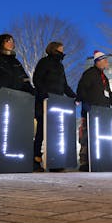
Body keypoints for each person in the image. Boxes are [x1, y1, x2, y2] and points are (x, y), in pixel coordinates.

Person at [32, 42, 77, 172]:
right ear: (55, 49)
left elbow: (64, 85)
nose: (63, 50)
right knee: (41, 132)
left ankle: (54, 162)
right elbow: (37, 79)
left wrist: (74, 96)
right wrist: (45, 95)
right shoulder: (44, 62)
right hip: (44, 102)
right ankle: (35, 160)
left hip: (57, 104)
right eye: (61, 48)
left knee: (55, 134)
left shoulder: (60, 66)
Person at [76, 51, 112, 171]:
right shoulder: (89, 74)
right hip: (91, 111)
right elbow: (81, 89)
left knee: (100, 136)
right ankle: (85, 162)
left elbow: (109, 94)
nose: (107, 63)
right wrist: (85, 103)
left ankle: (100, 159)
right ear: (98, 61)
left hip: (103, 113)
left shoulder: (104, 78)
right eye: (105, 60)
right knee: (87, 136)